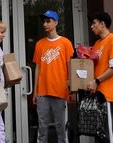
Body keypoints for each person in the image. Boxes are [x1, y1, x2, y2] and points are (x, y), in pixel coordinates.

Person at [32, 10, 74, 143]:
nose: (45, 24)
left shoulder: (65, 43)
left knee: (61, 128)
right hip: (43, 92)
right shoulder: (39, 44)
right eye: (44, 21)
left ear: (56, 22)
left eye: (48, 21)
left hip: (60, 91)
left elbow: (70, 67)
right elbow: (37, 68)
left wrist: (71, 88)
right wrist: (35, 91)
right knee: (42, 128)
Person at [87, 12, 113, 143]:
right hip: (98, 93)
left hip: (108, 93)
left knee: (108, 133)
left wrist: (97, 80)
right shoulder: (97, 43)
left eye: (94, 23)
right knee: (100, 133)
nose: (92, 26)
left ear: (103, 24)